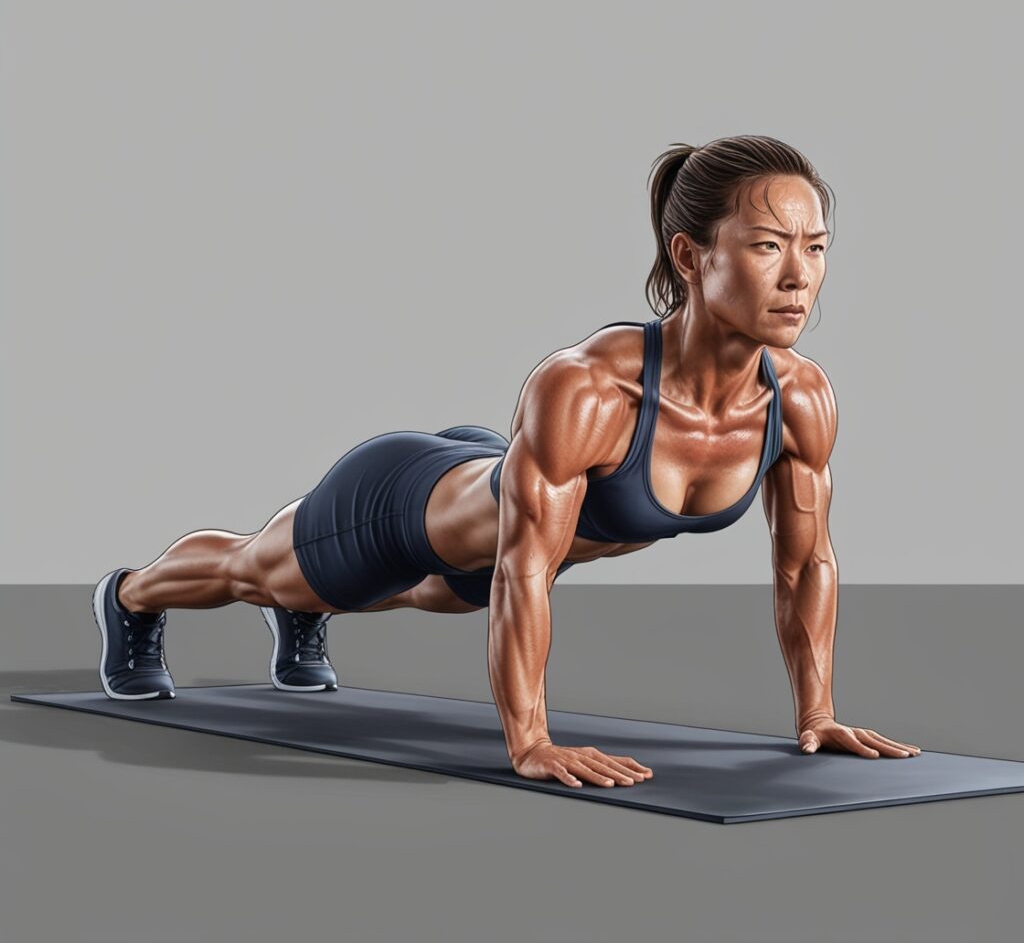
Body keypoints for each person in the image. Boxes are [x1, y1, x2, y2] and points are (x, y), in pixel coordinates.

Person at [92, 134, 921, 790]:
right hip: (403, 504)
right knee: (258, 572)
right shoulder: (592, 390)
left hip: (495, 525)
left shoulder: (800, 399)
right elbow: (526, 576)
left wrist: (818, 712)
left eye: (816, 247)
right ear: (689, 256)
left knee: (425, 597)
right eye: (769, 246)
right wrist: (529, 741)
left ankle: (310, 617)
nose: (800, 277)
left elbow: (806, 560)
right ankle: (130, 597)